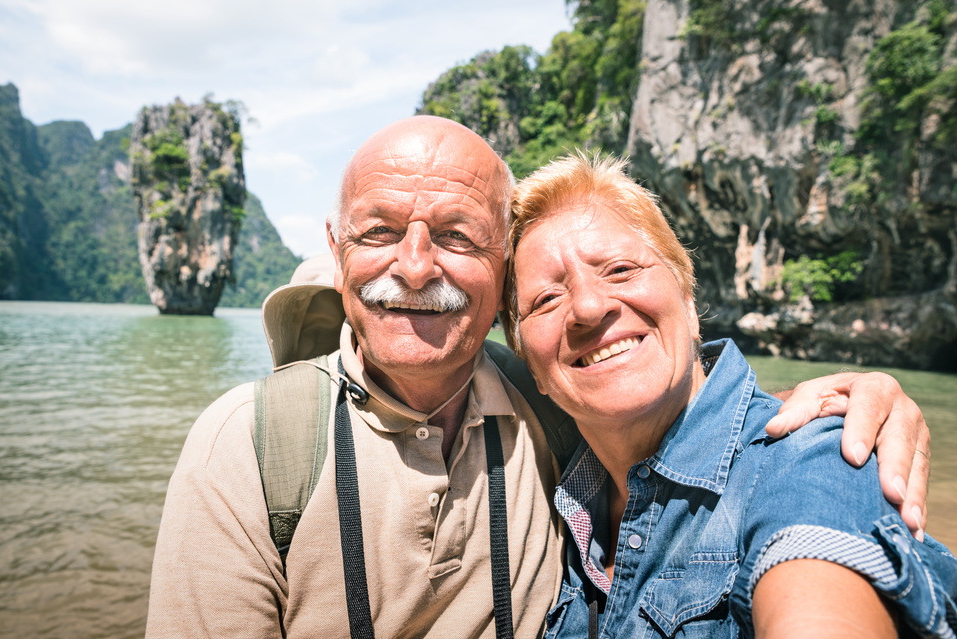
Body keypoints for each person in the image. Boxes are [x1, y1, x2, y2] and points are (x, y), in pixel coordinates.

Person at [146, 116, 934, 638]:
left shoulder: (805, 454)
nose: (414, 266)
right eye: (378, 231)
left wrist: (854, 412)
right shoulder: (250, 443)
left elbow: (809, 562)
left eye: (455, 235)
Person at [504, 152, 956, 638]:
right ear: (531, 366)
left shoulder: (815, 457)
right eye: (546, 300)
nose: (589, 307)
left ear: (689, 302)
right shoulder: (550, 488)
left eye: (619, 270)